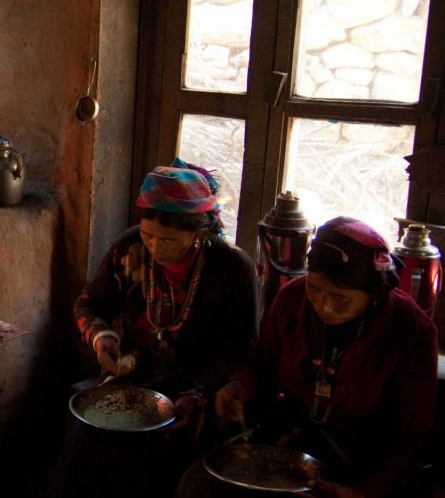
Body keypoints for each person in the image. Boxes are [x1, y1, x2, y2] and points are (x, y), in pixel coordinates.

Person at [51, 158, 260, 498]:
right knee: (87, 434)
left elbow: (241, 351)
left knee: (168, 455)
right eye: (149, 236)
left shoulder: (233, 269)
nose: (156, 249)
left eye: (170, 240)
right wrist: (101, 337)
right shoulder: (130, 248)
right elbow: (89, 303)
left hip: (202, 390)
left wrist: (198, 395)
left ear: (199, 231)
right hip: (137, 379)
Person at [190, 216, 439, 498]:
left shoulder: (409, 330)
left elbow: (410, 431)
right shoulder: (292, 298)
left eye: (341, 299)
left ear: (374, 294)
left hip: (363, 460)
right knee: (198, 484)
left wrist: (367, 490)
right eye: (315, 289)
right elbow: (263, 364)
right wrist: (240, 385)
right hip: (294, 442)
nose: (324, 306)